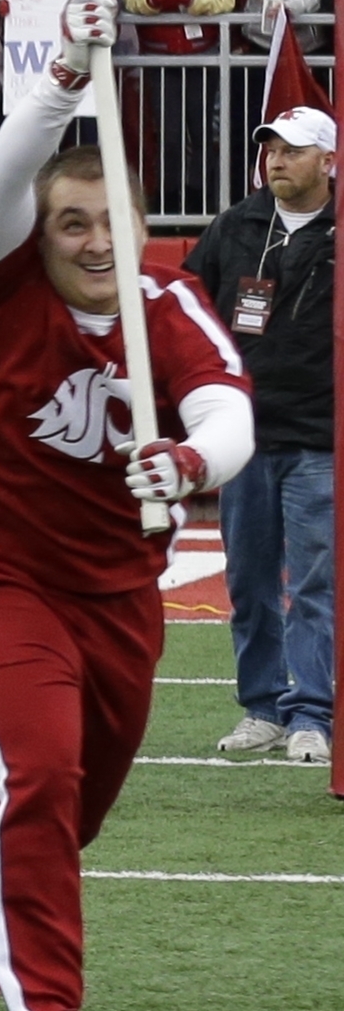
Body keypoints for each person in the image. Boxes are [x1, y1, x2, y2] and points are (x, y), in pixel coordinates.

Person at [0, 0, 255, 1011]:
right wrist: (64, 70)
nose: (83, 242)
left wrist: (184, 461)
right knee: (41, 768)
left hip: (119, 593)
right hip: (1, 576)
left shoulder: (164, 307)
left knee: (74, 806)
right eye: (65, 222)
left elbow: (228, 412)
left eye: (101, 223)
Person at [185, 108, 332, 766]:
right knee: (247, 579)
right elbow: (189, 305)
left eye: (294, 149)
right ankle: (263, 705)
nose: (276, 158)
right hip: (242, 434)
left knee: (312, 583)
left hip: (320, 436)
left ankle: (313, 712)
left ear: (328, 161)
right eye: (270, 146)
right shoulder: (236, 225)